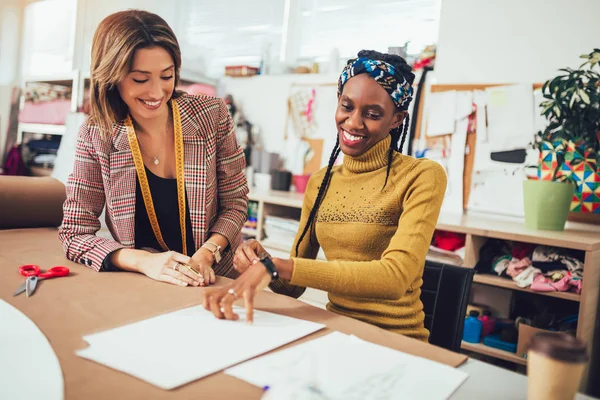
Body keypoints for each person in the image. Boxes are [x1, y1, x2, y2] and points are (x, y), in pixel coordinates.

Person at [202, 50, 447, 342]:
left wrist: (278, 266)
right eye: (347, 106)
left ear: (397, 119)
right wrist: (263, 261)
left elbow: (395, 278)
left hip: (395, 340)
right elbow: (291, 289)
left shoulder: (422, 175)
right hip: (335, 332)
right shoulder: (321, 182)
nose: (353, 123)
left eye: (372, 114)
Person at [58, 10, 248, 288]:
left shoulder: (212, 116)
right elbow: (74, 233)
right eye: (140, 79)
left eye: (167, 76)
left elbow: (235, 203)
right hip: (146, 285)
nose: (157, 92)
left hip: (217, 280)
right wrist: (143, 262)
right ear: (112, 77)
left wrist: (209, 252)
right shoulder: (97, 135)